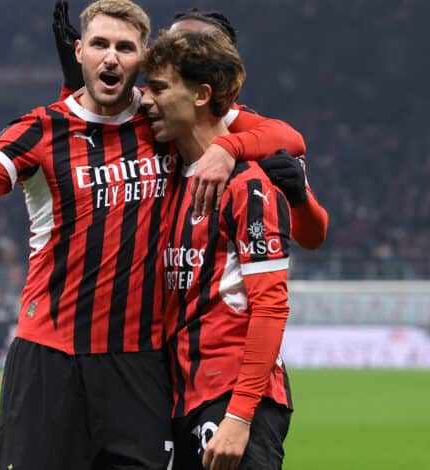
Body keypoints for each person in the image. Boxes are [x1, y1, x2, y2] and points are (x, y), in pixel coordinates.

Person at [0, 1, 304, 468]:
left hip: (137, 367)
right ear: (79, 51)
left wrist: (229, 147)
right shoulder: (39, 131)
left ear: (142, 59)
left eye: (125, 47)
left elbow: (288, 138)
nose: (111, 57)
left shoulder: (161, 116)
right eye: (100, 44)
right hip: (50, 360)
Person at [52, 1, 328, 248]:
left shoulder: (244, 131)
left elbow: (291, 141)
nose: (173, 53)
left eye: (190, 48)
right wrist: (76, 87)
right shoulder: (151, 108)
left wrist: (228, 149)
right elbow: (84, 139)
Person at [142, 31, 295, 469]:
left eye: (158, 88)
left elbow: (270, 306)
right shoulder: (170, 180)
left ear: (201, 95)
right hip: (181, 398)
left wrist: (240, 416)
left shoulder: (249, 186)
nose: (146, 101)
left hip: (232, 400)